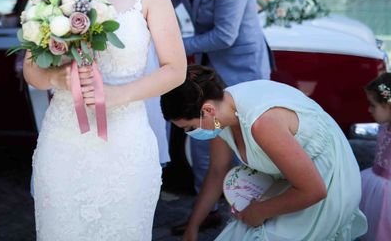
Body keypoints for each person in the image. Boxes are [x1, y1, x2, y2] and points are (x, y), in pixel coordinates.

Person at [23, 0, 187, 240]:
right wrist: (55, 80)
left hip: (125, 147)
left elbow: (176, 70)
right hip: (63, 145)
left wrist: (117, 96)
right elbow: (31, 70)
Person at [160, 65, 368, 241]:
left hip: (326, 182)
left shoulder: (262, 123)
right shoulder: (220, 116)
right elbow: (216, 171)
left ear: (207, 110)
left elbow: (314, 191)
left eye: (189, 127)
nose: (190, 134)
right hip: (292, 181)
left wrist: (259, 211)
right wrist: (193, 226)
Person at [156, 0, 272, 234]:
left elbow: (224, 36)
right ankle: (206, 211)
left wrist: (174, 47)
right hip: (211, 72)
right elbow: (160, 4)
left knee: (246, 144)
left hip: (244, 70)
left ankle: (251, 212)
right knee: (201, 138)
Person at [359, 72, 391, 241]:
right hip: (372, 183)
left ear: (388, 105)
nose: (369, 109)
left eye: (373, 105)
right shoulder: (384, 126)